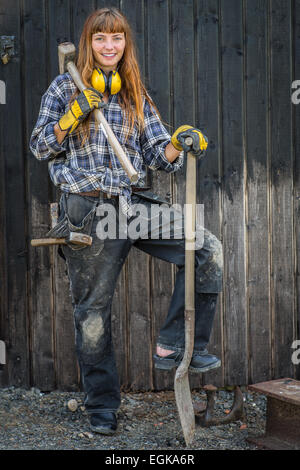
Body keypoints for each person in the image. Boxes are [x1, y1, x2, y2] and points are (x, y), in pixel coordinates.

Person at [30, 7, 223, 436]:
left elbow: (158, 156)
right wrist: (71, 115)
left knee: (206, 247)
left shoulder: (135, 92)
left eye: (116, 38)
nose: (109, 46)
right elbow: (40, 148)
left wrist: (179, 142)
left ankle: (176, 344)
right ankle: (102, 406)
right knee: (93, 314)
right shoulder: (65, 87)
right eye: (100, 39)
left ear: (124, 44)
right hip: (87, 209)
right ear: (88, 44)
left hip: (133, 205)